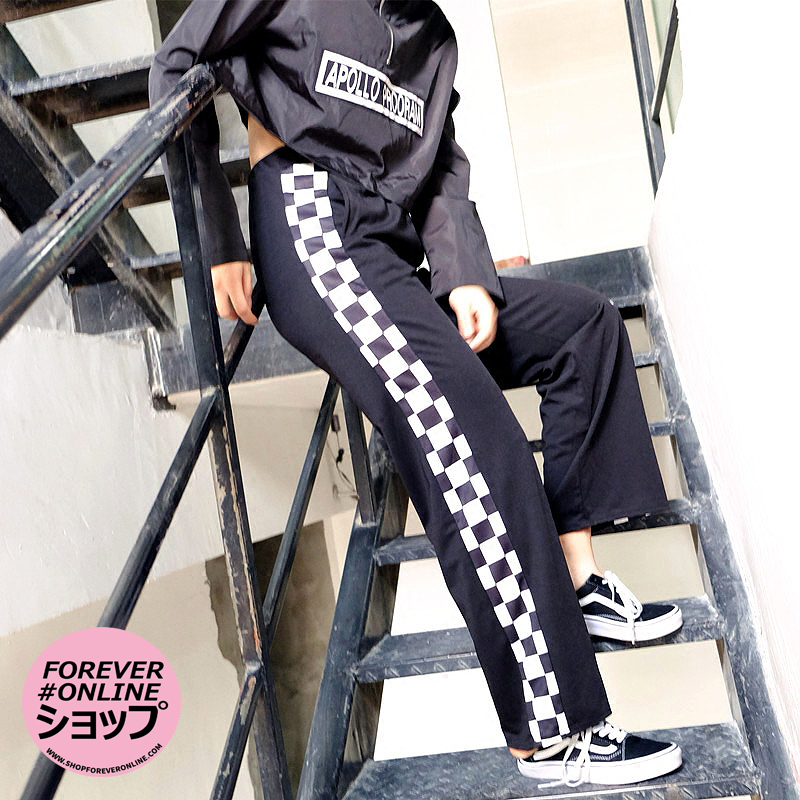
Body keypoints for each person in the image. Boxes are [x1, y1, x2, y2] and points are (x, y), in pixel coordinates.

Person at [150, 0, 684, 787]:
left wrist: (465, 274)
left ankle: (579, 585)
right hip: (314, 227)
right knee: (480, 444)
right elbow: (179, 61)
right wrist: (221, 236)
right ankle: (553, 733)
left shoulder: (432, 39)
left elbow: (443, 168)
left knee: (586, 327)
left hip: (392, 252)